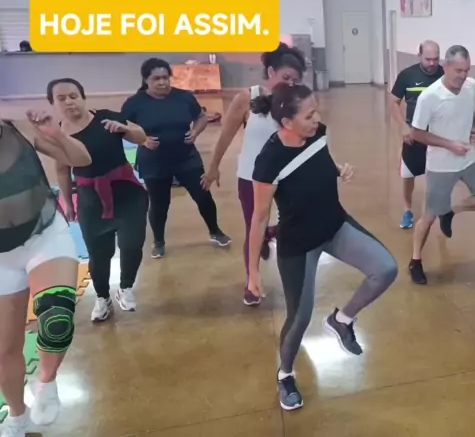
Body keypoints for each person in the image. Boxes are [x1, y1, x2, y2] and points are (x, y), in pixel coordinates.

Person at [247, 83, 398, 411]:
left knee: (385, 269)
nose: (317, 118)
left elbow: (319, 162)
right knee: (299, 318)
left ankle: (342, 320)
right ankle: (285, 374)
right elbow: (259, 218)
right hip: (299, 244)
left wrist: (338, 170)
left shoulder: (318, 133)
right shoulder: (269, 160)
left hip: (334, 225)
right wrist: (253, 271)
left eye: (316, 111)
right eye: (309, 115)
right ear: (287, 122)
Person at [0, 110, 92, 437]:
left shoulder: (20, 129)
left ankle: (47, 382)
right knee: (4, 350)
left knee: (56, 317)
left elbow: (82, 159)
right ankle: (18, 417)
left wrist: (57, 135)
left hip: (44, 235)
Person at [202, 43, 307, 307]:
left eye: (295, 80)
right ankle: (252, 281)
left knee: (291, 228)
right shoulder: (246, 99)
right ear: (270, 72)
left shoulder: (297, 102)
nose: (290, 84)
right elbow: (225, 135)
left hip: (288, 178)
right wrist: (213, 166)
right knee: (253, 229)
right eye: (285, 77)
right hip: (252, 178)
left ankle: (274, 244)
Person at [49, 78, 149, 321]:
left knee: (132, 244)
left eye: (73, 96)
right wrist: (68, 204)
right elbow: (62, 170)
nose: (69, 102)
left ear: (83, 98)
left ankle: (125, 287)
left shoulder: (105, 118)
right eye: (61, 98)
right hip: (90, 200)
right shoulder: (58, 135)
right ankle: (103, 297)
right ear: (53, 104)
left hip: (127, 193)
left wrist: (124, 129)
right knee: (98, 254)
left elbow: (141, 137)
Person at [121, 58, 231, 259]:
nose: (162, 82)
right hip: (153, 162)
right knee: (159, 204)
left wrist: (195, 132)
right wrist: (142, 140)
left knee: (203, 196)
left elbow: (200, 117)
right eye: (156, 79)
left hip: (186, 158)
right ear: (146, 80)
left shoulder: (184, 97)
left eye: (165, 77)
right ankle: (158, 241)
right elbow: (123, 128)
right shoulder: (135, 103)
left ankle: (215, 231)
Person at [407, 45, 475, 285]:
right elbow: (417, 133)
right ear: (446, 67)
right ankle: (415, 261)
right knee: (428, 216)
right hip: (441, 164)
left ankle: (450, 211)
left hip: (468, 157)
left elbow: (468, 110)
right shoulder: (430, 97)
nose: (463, 75)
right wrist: (449, 144)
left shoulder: (471, 86)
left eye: (467, 70)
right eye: (458, 70)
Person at [388, 40, 444, 229]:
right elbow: (393, 102)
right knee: (407, 175)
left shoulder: (445, 75)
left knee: (438, 175)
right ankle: (407, 210)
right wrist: (403, 126)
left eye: (436, 59)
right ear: (419, 55)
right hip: (413, 135)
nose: (432, 63)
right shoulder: (407, 75)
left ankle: (437, 210)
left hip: (438, 136)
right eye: (428, 59)